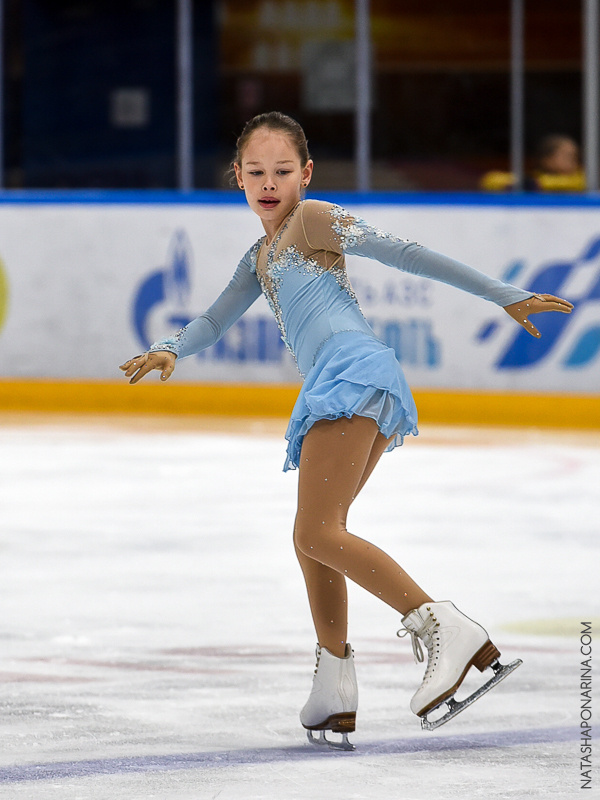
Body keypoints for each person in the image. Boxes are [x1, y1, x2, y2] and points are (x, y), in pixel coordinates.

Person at [120, 112, 573, 750]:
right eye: (256, 172)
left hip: (351, 372)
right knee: (313, 537)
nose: (269, 183)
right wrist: (171, 346)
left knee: (316, 530)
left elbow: (406, 254)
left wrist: (503, 295)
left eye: (283, 171)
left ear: (306, 175)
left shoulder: (312, 220)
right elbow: (216, 319)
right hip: (338, 381)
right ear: (238, 179)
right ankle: (334, 683)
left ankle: (443, 626)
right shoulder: (261, 255)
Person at [480, 134, 585, 192]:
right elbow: (489, 180)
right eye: (567, 156)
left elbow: (578, 182)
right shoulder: (533, 178)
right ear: (547, 160)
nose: (573, 160)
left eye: (576, 156)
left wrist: (538, 184)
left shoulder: (581, 179)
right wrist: (524, 183)